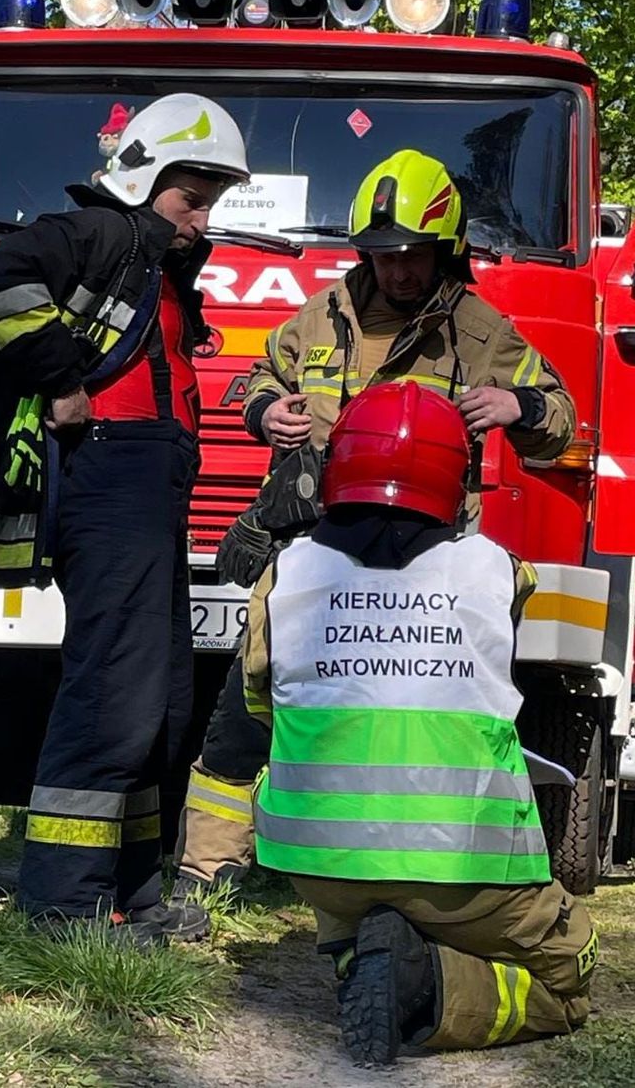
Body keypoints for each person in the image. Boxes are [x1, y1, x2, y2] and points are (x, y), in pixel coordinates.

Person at [169, 149, 576, 920]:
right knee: (246, 705)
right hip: (311, 553)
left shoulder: (481, 331)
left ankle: (438, 874)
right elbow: (257, 378)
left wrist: (517, 408)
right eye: (384, 257)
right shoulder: (321, 317)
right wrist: (266, 413)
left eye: (414, 256)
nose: (399, 273)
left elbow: (560, 421)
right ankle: (206, 873)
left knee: (423, 725)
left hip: (427, 571)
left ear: (445, 250)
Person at [0, 93, 250, 945]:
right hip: (112, 481)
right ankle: (62, 903)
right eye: (190, 199)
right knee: (111, 693)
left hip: (150, 488)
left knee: (158, 701)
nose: (201, 221)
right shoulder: (102, 232)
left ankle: (130, 894)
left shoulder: (154, 262)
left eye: (212, 202)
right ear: (142, 180)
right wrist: (61, 379)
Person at [247, 381, 597, 1062]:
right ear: (454, 479)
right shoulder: (499, 571)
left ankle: (361, 948)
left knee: (359, 915)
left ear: (337, 464)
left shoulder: (285, 573)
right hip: (467, 867)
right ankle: (426, 987)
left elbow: (261, 703)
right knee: (568, 976)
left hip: (322, 866)